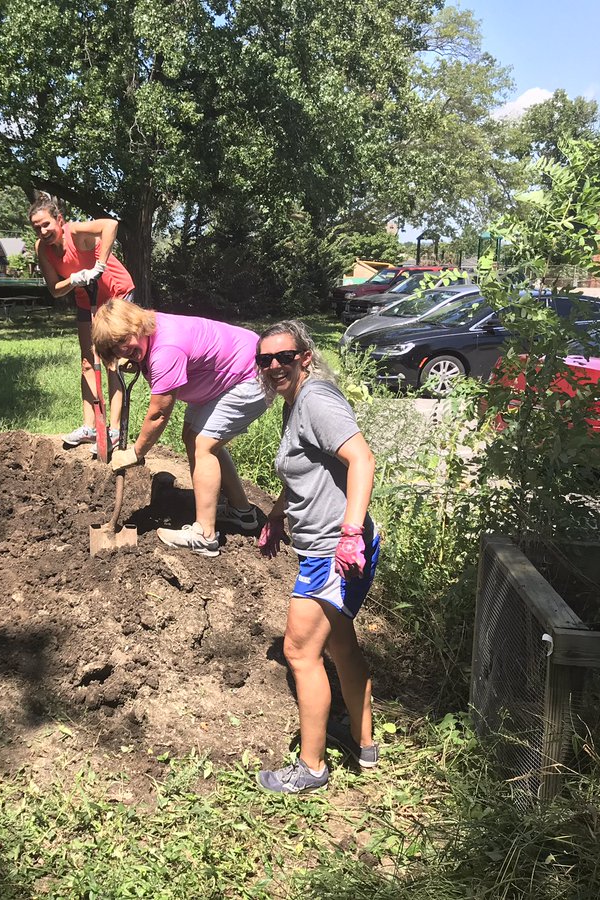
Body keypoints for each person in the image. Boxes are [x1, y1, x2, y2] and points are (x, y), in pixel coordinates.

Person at [253, 320, 380, 794]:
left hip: (333, 551)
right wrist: (277, 514)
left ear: (305, 356)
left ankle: (311, 768)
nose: (273, 366)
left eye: (283, 356)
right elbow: (308, 472)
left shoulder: (317, 400)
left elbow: (361, 459)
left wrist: (349, 535)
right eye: (264, 359)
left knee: (299, 652)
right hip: (329, 544)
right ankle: (363, 744)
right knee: (340, 646)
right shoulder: (295, 404)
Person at [92, 297, 269, 557]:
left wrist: (135, 453)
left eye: (125, 339)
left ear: (137, 325)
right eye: (115, 347)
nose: (122, 350)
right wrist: (138, 359)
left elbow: (159, 413)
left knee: (204, 445)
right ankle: (242, 512)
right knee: (193, 436)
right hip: (229, 374)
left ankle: (205, 536)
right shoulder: (151, 336)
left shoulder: (167, 348)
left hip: (251, 375)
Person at [29, 195, 135, 450]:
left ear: (59, 220)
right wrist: (75, 279)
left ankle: (115, 431)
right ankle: (90, 427)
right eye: (37, 228)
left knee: (113, 363)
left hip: (115, 294)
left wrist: (100, 265)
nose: (43, 231)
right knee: (88, 362)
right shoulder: (42, 249)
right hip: (86, 299)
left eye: (46, 224)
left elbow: (110, 225)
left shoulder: (76, 233)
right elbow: (55, 289)